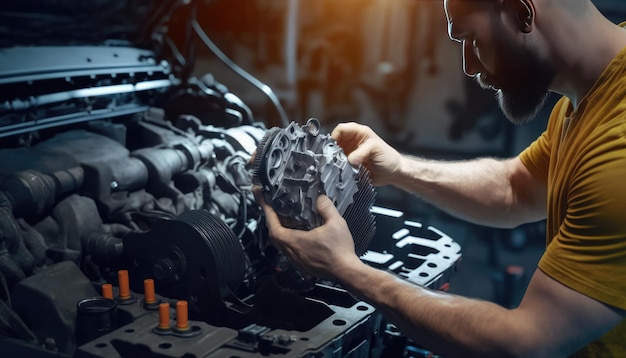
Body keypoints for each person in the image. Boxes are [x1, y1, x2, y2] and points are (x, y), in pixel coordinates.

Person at [253, 0, 626, 356]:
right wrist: (400, 168)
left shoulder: (618, 149)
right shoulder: (587, 97)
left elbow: (526, 342)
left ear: (521, 11)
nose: (468, 66)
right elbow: (519, 188)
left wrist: (347, 269)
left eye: (470, 39)